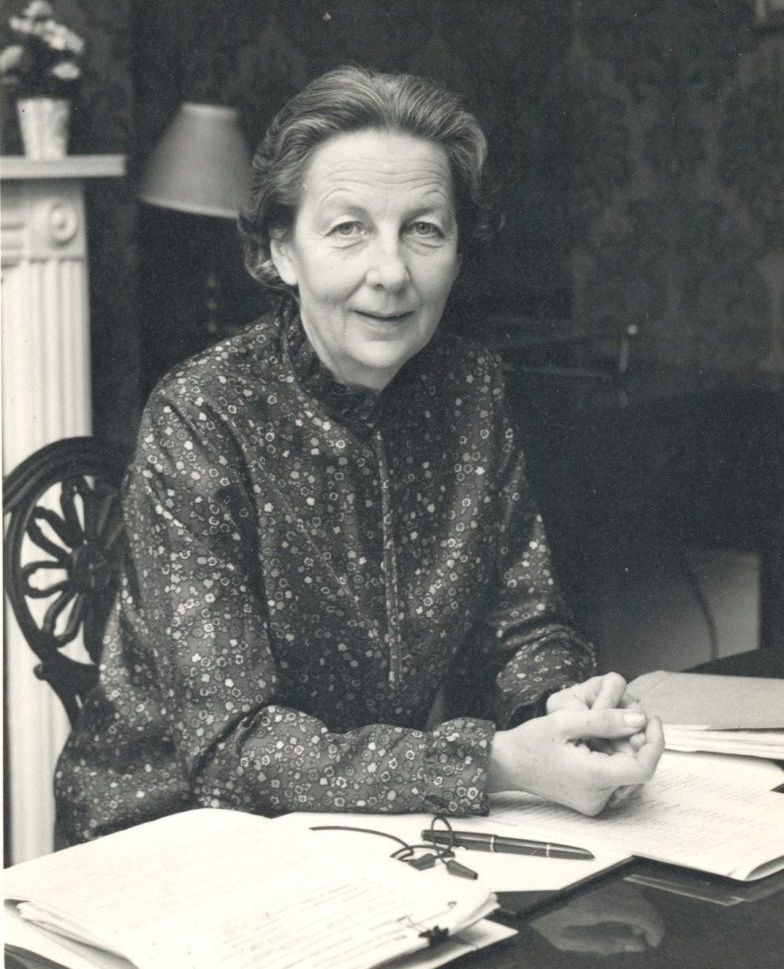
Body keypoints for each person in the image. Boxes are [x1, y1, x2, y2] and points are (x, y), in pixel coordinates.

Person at [55, 66, 663, 846]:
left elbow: (524, 625)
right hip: (165, 837)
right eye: (348, 229)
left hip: (357, 828)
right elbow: (234, 748)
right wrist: (498, 763)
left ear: (457, 252)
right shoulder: (203, 414)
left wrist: (567, 711)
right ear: (282, 251)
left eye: (425, 230)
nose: (392, 272)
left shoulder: (471, 390)